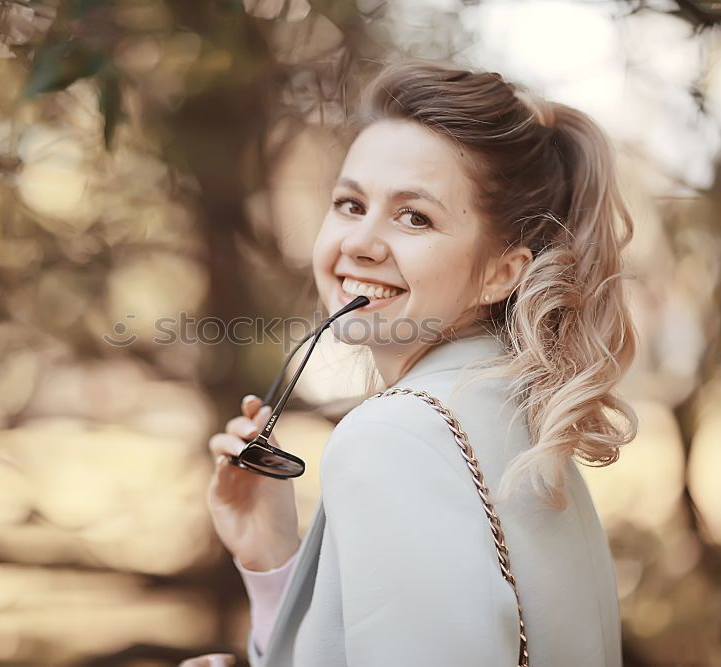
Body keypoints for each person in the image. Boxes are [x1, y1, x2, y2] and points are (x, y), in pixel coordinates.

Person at [190, 58, 639, 667]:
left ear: (501, 272)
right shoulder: (519, 423)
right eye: (350, 204)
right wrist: (275, 565)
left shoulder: (396, 435)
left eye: (413, 216)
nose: (359, 243)